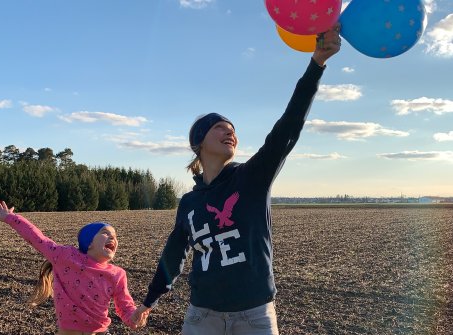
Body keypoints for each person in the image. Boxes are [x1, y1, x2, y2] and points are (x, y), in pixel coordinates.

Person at [129, 25, 341, 335]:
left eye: (232, 129)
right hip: (202, 316)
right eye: (219, 127)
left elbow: (288, 127)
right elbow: (174, 254)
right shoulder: (189, 203)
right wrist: (149, 301)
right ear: (199, 143)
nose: (230, 131)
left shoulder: (251, 178)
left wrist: (317, 64)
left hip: (254, 316)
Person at [0, 199, 147, 335]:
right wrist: (10, 218)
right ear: (89, 242)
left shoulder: (117, 274)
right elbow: (38, 238)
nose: (113, 237)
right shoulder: (66, 257)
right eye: (106, 233)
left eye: (115, 235)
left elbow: (124, 306)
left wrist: (134, 317)